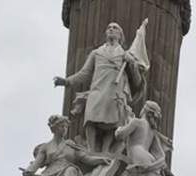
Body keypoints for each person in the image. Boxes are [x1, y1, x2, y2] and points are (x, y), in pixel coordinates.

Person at [54, 20, 147, 155]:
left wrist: (132, 63)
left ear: (120, 35)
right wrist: (67, 81)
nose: (111, 29)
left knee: (112, 122)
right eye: (109, 27)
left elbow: (137, 82)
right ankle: (91, 149)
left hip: (114, 91)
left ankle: (105, 150)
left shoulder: (124, 55)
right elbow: (84, 73)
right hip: (97, 88)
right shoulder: (96, 53)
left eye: (115, 28)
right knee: (91, 118)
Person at [111, 100, 183, 176]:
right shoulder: (152, 131)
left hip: (137, 155)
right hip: (149, 158)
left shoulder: (136, 122)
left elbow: (120, 136)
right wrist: (154, 165)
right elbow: (161, 156)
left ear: (144, 110)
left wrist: (119, 128)